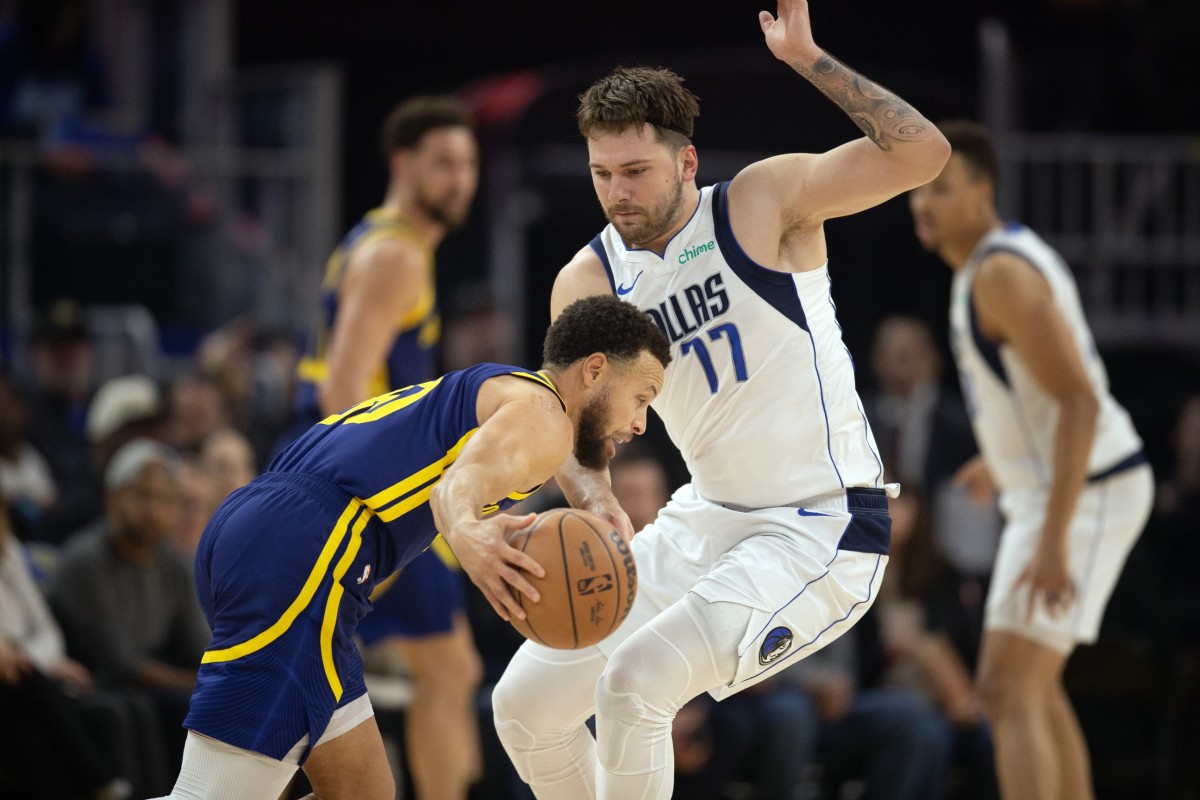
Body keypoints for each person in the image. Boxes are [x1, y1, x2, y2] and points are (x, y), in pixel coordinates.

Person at [491, 2, 951, 798]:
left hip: (822, 526)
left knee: (634, 686)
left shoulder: (761, 204)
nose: (617, 193)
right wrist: (593, 498)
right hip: (708, 519)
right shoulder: (589, 279)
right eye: (601, 174)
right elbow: (570, 425)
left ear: (686, 161)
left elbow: (923, 153)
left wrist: (809, 60)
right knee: (523, 708)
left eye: (635, 172)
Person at [151, 294, 670, 800]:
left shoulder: (519, 396)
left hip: (269, 528)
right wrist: (467, 533)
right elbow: (456, 488)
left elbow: (559, 457)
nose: (641, 422)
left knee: (363, 791)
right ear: (595, 370)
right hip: (308, 551)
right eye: (641, 398)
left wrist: (595, 502)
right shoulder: (543, 420)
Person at [907, 119, 1154, 800]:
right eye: (917, 191)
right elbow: (1047, 393)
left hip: (1086, 490)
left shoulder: (1000, 275)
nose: (922, 204)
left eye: (941, 189)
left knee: (1006, 688)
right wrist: (1002, 459)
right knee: (1031, 689)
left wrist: (1053, 540)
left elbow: (1079, 402)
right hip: (1063, 484)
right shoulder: (988, 263)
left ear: (982, 194)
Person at [284, 92, 485, 800]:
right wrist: (388, 509)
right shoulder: (395, 254)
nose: (460, 180)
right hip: (352, 481)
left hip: (352, 475)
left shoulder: (392, 245)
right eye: (443, 163)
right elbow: (342, 389)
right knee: (436, 671)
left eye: (467, 164)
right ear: (402, 164)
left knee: (443, 670)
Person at [49, 437, 210, 794]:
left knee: (211, 702)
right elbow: (117, 662)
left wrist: (223, 680)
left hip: (147, 686)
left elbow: (199, 645)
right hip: (88, 685)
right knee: (151, 708)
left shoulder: (173, 564)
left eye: (166, 499)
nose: (154, 510)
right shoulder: (84, 563)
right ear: (112, 499)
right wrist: (194, 683)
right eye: (142, 496)